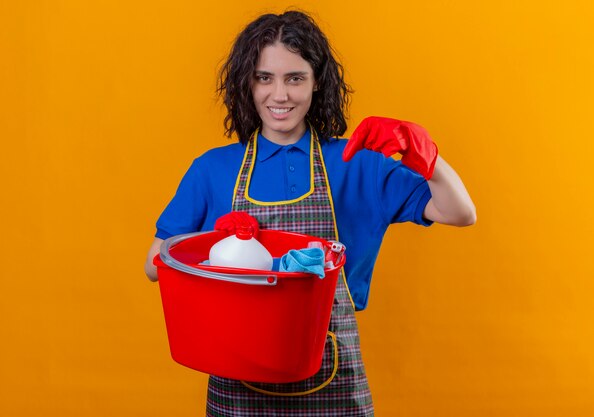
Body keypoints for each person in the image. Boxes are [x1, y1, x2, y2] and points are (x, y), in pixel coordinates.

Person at [144, 10, 475, 417]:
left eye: (294, 78)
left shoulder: (357, 163)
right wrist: (216, 247)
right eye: (264, 77)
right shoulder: (213, 169)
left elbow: (460, 213)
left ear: (317, 82)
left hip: (334, 381)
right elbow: (155, 264)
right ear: (246, 83)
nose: (279, 95)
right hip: (238, 385)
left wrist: (426, 156)